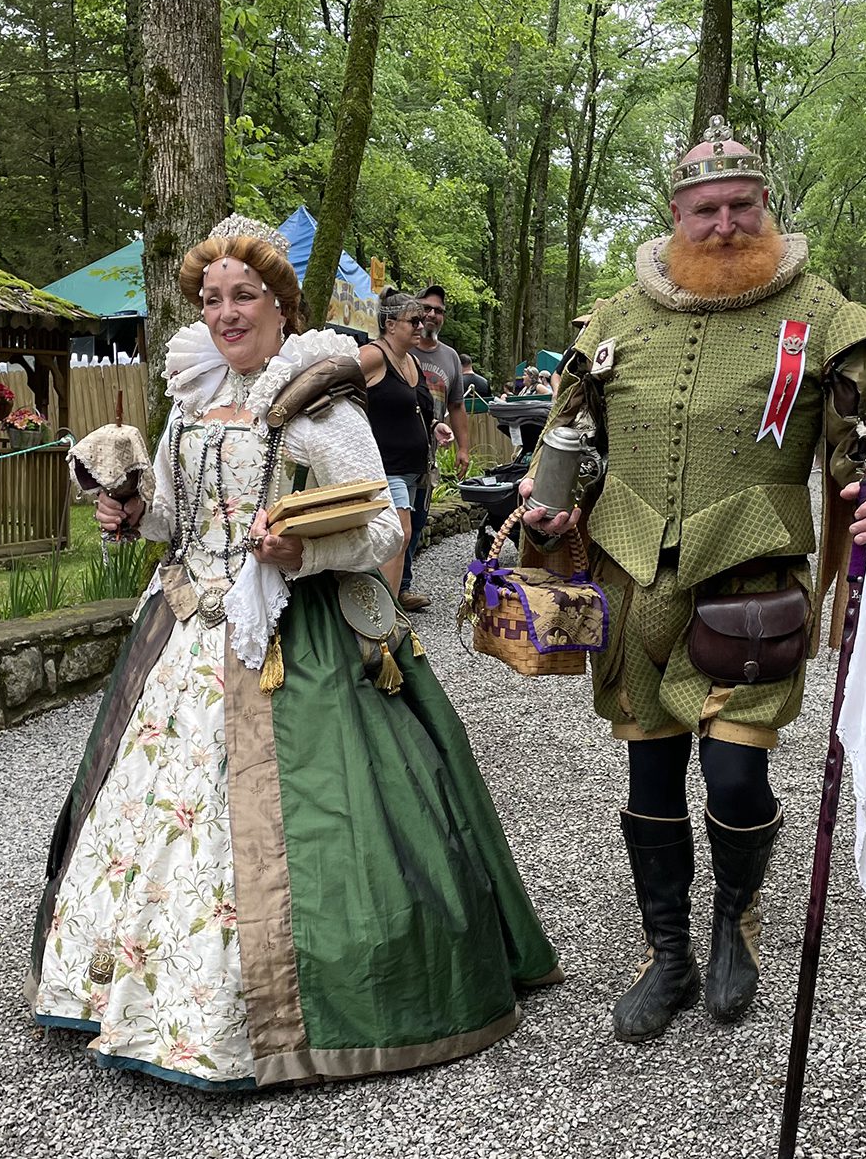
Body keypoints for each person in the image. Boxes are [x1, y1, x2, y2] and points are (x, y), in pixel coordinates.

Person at [28, 216, 559, 1090]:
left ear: (282, 307)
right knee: (153, 814)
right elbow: (176, 518)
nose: (227, 314)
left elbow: (383, 525)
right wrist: (131, 515)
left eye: (245, 297)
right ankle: (140, 989)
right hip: (185, 632)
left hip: (294, 642)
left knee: (319, 829)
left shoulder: (317, 405)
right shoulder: (191, 400)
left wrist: (300, 552)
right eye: (211, 300)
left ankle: (292, 1005)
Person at [519, 117, 866, 1044]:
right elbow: (568, 439)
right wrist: (549, 504)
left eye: (742, 204)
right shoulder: (617, 316)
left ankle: (733, 916)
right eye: (705, 208)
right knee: (650, 772)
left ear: (767, 206)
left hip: (751, 587)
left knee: (737, 778)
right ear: (675, 214)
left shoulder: (821, 316)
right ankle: (666, 950)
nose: (724, 224)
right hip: (633, 587)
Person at [360, 288, 436, 595]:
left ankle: (389, 611)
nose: (422, 325)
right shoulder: (373, 356)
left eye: (422, 319)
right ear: (391, 324)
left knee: (403, 538)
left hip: (412, 471)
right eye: (414, 320)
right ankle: (384, 619)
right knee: (398, 534)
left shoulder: (411, 361)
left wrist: (437, 428)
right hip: (385, 467)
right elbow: (333, 380)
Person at [399, 284, 469, 611]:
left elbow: (456, 406)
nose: (431, 315)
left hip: (428, 453)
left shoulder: (450, 358)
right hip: (396, 448)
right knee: (397, 523)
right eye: (426, 308)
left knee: (417, 520)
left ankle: (401, 588)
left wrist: (463, 450)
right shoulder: (401, 349)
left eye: (438, 310)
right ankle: (390, 590)